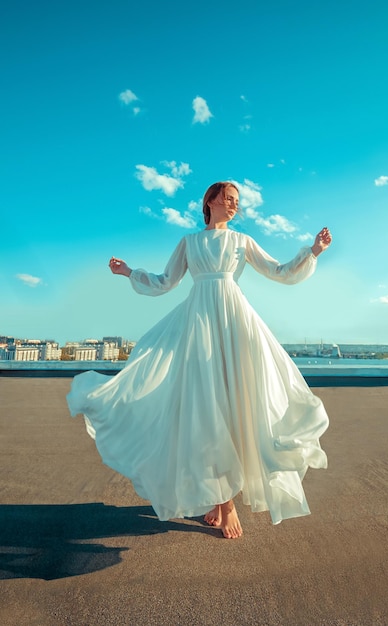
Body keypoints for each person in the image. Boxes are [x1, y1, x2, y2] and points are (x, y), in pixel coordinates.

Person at [67, 181, 332, 539]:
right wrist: (129, 272)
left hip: (236, 324)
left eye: (237, 200)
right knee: (205, 408)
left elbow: (279, 271)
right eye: (227, 197)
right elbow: (164, 281)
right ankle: (223, 501)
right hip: (198, 325)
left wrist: (313, 251)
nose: (233, 204)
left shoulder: (241, 241)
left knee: (237, 405)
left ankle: (222, 498)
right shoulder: (189, 242)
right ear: (209, 201)